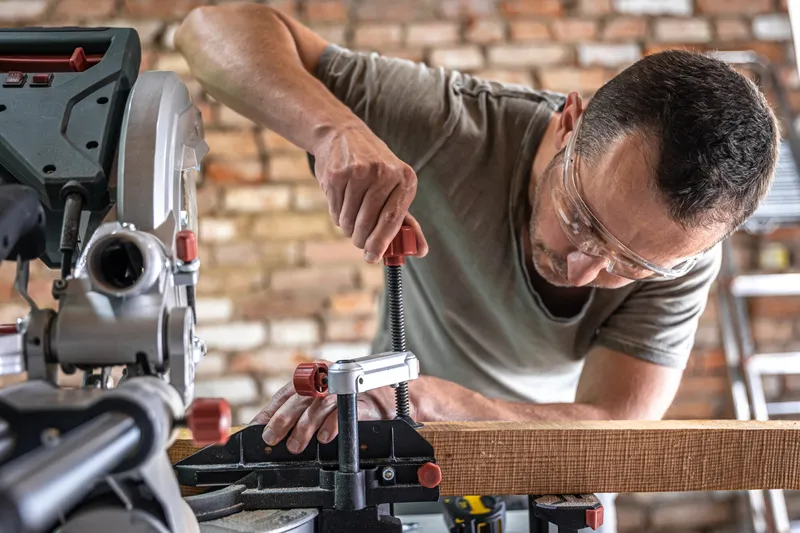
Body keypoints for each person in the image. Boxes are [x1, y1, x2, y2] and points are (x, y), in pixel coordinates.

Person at [175, 3, 779, 531]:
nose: (583, 271)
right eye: (582, 219)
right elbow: (209, 30)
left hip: (551, 470)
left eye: (631, 264)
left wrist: (432, 401)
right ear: (569, 123)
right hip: (395, 448)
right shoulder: (450, 128)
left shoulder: (681, 253)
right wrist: (333, 130)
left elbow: (613, 429)